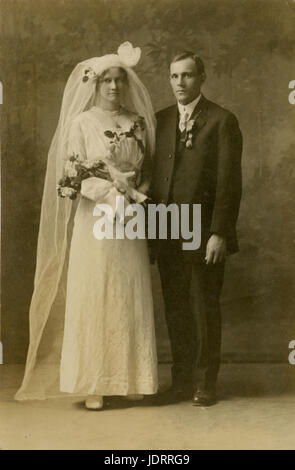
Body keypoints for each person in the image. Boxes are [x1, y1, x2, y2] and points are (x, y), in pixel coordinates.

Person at [15, 42, 158, 410]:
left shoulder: (136, 123)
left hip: (129, 222)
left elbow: (147, 169)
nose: (113, 87)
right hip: (97, 218)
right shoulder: (81, 122)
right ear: (94, 84)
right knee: (96, 292)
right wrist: (114, 196)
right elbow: (74, 173)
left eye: (119, 81)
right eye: (107, 81)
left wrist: (138, 193)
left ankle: (130, 379)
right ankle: (93, 382)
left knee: (128, 291)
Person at [151, 51, 243, 406]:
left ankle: (206, 383)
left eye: (187, 76)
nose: (180, 83)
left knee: (203, 306)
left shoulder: (222, 121)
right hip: (166, 230)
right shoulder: (160, 120)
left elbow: (228, 183)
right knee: (175, 307)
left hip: (203, 233)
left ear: (202, 77)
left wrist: (219, 232)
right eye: (174, 76)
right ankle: (181, 381)